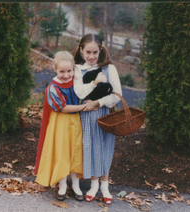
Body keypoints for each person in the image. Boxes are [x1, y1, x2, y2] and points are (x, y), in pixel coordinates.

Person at [73, 34, 122, 205]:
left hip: (105, 114)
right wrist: (94, 83)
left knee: (105, 147)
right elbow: (79, 93)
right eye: (88, 52)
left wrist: (98, 102)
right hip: (86, 116)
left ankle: (105, 186)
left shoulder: (110, 69)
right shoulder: (78, 69)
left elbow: (117, 95)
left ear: (100, 50)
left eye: (95, 52)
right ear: (81, 50)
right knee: (91, 147)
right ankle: (94, 185)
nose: (92, 56)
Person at [34, 51, 88, 201]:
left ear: (74, 69)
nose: (66, 75)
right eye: (62, 71)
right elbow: (62, 108)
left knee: (76, 151)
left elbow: (86, 94)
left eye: (69, 71)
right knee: (62, 152)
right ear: (54, 68)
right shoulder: (53, 87)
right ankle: (62, 184)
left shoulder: (77, 81)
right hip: (61, 123)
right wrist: (82, 107)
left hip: (76, 122)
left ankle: (76, 185)